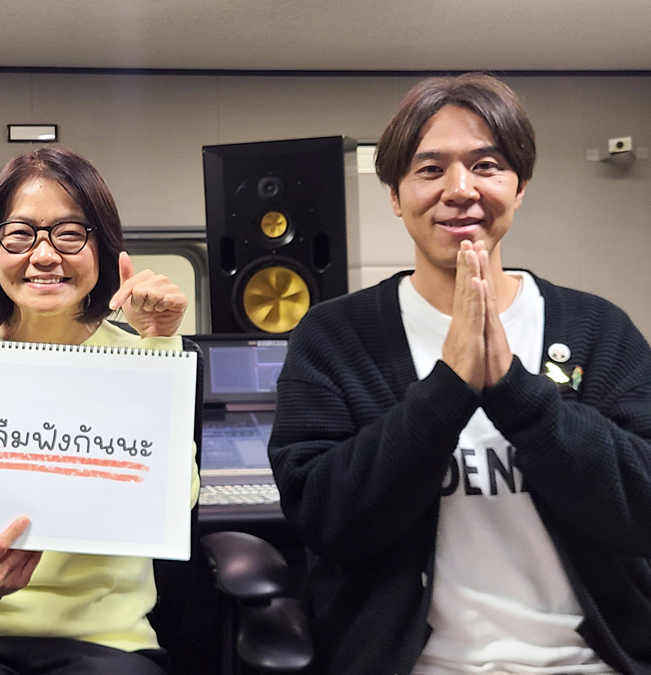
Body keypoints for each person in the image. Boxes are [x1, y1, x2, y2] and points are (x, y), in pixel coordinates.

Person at [268, 72, 651, 675]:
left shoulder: (596, 328)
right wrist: (447, 390)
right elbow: (323, 519)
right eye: (430, 169)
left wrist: (516, 391)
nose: (460, 189)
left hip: (592, 662)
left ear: (520, 187)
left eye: (486, 165)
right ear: (395, 196)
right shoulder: (334, 337)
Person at [0, 146, 196, 675]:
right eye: (20, 234)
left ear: (103, 247)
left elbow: (170, 502)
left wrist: (158, 343)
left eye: (70, 233)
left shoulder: (141, 358)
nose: (45, 254)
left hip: (106, 640)